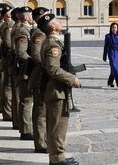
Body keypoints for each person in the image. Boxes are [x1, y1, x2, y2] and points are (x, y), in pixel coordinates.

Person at [38, 13, 80, 165]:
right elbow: (53, 69)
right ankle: (57, 159)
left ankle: (57, 156)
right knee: (57, 126)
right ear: (53, 27)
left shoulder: (52, 41)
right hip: (55, 91)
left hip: (57, 89)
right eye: (57, 20)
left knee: (58, 125)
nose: (60, 21)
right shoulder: (53, 44)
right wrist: (72, 78)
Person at [28, 7, 49, 153]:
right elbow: (36, 55)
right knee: (40, 110)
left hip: (43, 74)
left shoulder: (42, 32)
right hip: (41, 75)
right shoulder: (40, 33)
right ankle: (41, 143)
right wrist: (49, 67)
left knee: (43, 109)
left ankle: (43, 141)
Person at [14, 6, 34, 140]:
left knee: (26, 100)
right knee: (26, 101)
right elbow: (21, 52)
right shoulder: (22, 31)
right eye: (31, 15)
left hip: (26, 69)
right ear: (26, 17)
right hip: (25, 70)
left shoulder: (25, 29)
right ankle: (26, 131)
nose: (32, 18)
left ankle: (26, 129)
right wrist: (34, 61)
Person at [103, 22, 118, 89]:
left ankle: (110, 81)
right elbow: (106, 46)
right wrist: (104, 56)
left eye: (115, 27)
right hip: (112, 53)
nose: (114, 29)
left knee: (117, 69)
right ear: (111, 28)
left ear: (117, 28)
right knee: (115, 68)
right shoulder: (108, 36)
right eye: (113, 27)